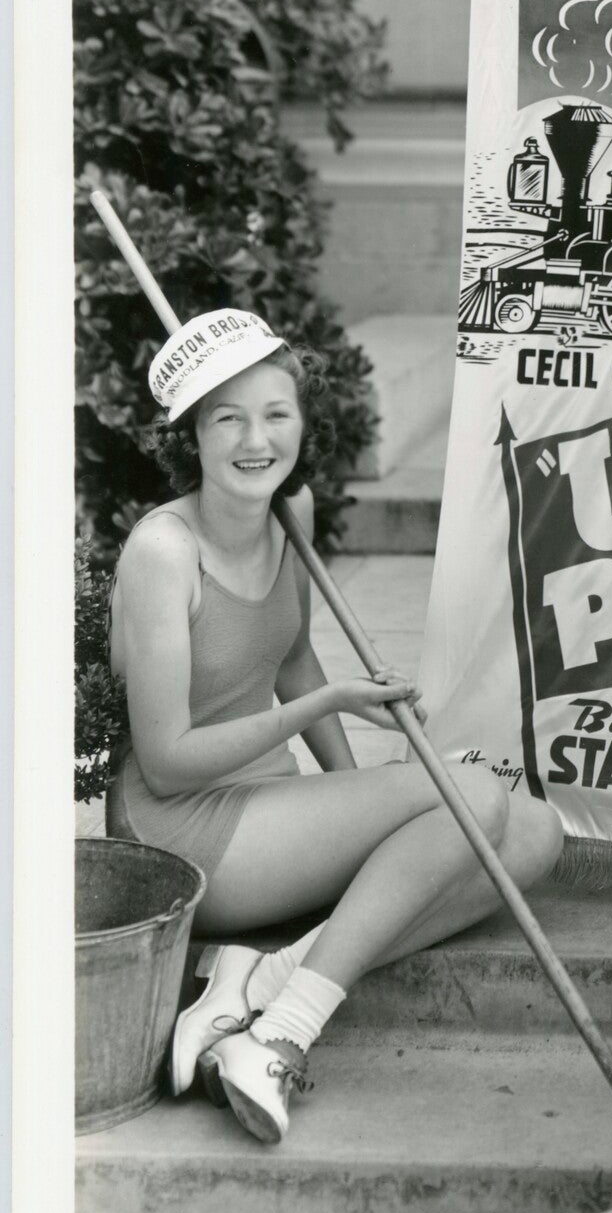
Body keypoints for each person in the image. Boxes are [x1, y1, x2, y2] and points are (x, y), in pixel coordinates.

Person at [106, 310, 564, 1146]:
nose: (256, 440)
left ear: (304, 422)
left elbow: (292, 663)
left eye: (276, 414)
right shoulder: (163, 553)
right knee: (469, 794)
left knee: (532, 833)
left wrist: (355, 784)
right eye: (227, 418)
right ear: (192, 436)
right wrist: (327, 712)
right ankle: (280, 1035)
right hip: (184, 831)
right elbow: (168, 764)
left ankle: (259, 979)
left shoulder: (294, 513)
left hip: (263, 808)